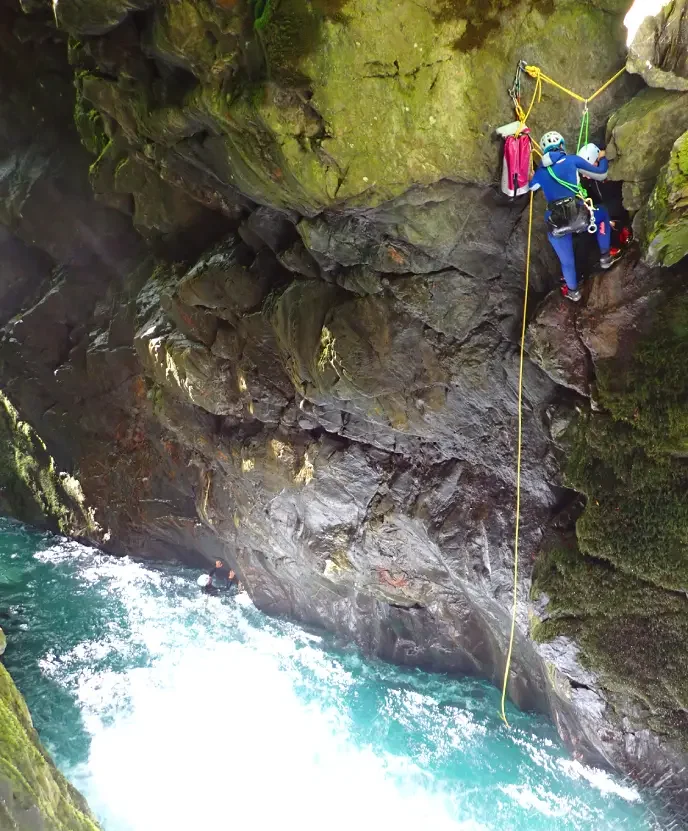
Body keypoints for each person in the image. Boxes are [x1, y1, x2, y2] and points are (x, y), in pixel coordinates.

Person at [529, 131, 622, 302]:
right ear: (562, 146)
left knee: (567, 261)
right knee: (602, 213)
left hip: (557, 224)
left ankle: (573, 292)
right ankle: (605, 258)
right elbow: (601, 174)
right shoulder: (572, 160)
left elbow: (530, 187)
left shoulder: (540, 173)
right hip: (579, 215)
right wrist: (601, 156)